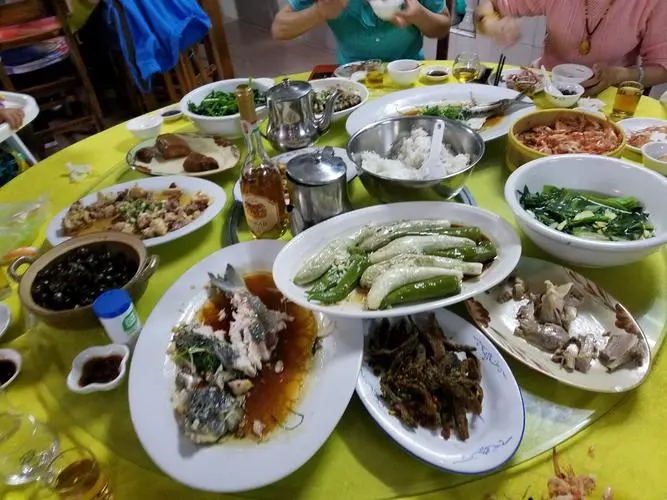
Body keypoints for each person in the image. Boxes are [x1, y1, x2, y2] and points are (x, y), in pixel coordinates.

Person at [475, 0, 667, 95]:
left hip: (607, 98)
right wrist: (492, 24)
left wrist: (619, 75)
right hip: (545, 89)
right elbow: (486, 6)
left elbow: (662, 68)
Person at [271, 0, 451, 65]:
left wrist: (419, 15)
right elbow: (280, 29)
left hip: (408, 73)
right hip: (351, 79)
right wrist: (319, 12)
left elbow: (443, 26)